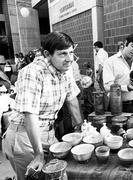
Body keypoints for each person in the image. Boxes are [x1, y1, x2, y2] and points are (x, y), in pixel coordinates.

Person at [2, 31, 82, 180]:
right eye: (63, 54)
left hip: (49, 133)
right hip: (24, 136)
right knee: (35, 177)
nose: (69, 59)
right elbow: (29, 115)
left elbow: (71, 98)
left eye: (71, 53)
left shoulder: (66, 69)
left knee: (60, 174)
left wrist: (81, 127)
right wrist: (38, 154)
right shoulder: (32, 72)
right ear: (47, 54)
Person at [103, 33, 133, 113]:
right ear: (125, 43)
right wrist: (126, 88)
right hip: (116, 105)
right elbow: (107, 86)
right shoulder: (110, 62)